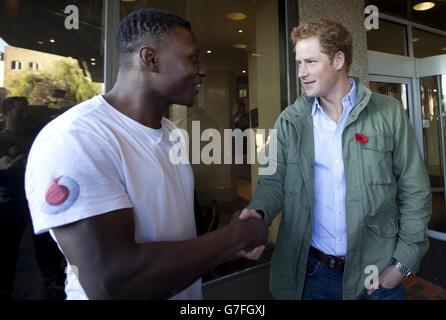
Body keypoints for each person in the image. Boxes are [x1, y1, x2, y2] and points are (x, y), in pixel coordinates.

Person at [25, 8, 267, 300]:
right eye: (192, 57)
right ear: (150, 58)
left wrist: (227, 240)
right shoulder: (75, 138)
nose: (202, 69)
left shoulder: (171, 133)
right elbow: (115, 282)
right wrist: (234, 237)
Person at [241, 19, 432, 300]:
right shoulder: (290, 121)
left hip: (376, 274)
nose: (301, 73)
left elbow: (415, 189)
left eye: (310, 62)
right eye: (298, 63)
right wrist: (257, 214)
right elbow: (273, 181)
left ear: (338, 59)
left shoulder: (388, 113)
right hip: (312, 275)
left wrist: (401, 265)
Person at [0, 97, 65, 299]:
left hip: (37, 202)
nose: (25, 114)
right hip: (8, 203)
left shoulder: (38, 137)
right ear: (7, 112)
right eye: (21, 110)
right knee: (6, 255)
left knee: (48, 252)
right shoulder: (1, 139)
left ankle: (53, 289)